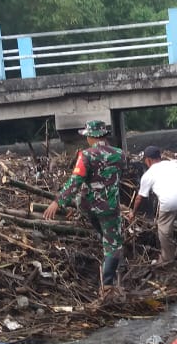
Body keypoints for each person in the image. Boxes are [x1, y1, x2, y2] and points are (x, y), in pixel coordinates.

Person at [43, 119, 126, 291]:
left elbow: (75, 181)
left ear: (91, 137)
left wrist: (58, 202)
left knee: (106, 237)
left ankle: (107, 280)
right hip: (110, 207)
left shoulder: (86, 156)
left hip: (89, 206)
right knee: (113, 245)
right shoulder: (120, 154)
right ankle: (109, 283)